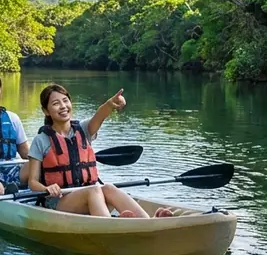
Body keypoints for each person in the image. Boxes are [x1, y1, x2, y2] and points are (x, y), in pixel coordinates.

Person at [25, 84, 172, 218]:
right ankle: (110, 226)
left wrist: (110, 104)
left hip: (89, 195)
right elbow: (32, 182)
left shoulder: (83, 130)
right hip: (59, 200)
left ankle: (147, 221)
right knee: (94, 190)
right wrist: (47, 188)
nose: (63, 106)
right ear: (46, 111)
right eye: (56, 103)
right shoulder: (41, 140)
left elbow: (99, 116)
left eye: (65, 101)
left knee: (108, 188)